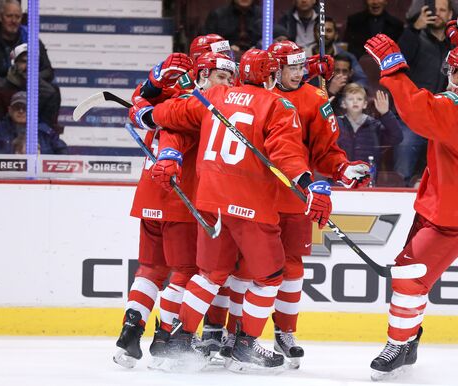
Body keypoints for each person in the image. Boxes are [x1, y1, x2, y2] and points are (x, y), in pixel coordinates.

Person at [128, 47, 333, 372]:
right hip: (250, 204)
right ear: (269, 76)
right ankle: (245, 346)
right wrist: (308, 185)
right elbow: (287, 154)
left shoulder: (216, 96)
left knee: (209, 275)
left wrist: (143, 114)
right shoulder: (277, 105)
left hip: (210, 202)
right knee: (270, 277)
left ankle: (179, 340)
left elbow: (170, 114)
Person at [210, 41, 371, 370]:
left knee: (292, 268)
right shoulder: (249, 93)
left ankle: (284, 332)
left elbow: (327, 150)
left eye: (302, 67)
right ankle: (234, 335)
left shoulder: (315, 99)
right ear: (273, 69)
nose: (299, 74)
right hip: (251, 196)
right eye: (292, 68)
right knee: (243, 271)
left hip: (295, 196)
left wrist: (343, 169)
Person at [362, 18, 458, 380]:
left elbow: (415, 108)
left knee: (409, 278)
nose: (448, 79)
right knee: (410, 272)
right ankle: (408, 340)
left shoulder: (454, 109)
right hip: (446, 201)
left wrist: (394, 71)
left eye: (454, 73)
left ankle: (400, 345)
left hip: (455, 211)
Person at [113, 50, 237, 369]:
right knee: (185, 271)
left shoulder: (173, 96)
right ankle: (165, 339)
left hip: (149, 196)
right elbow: (173, 135)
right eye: (221, 77)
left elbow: (140, 100)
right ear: (203, 76)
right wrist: (170, 155)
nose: (227, 84)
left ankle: (130, 333)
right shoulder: (196, 105)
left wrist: (152, 85)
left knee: (151, 269)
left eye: (231, 78)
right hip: (178, 198)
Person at [394, 0, 454, 186]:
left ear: (450, 15)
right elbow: (397, 61)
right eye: (435, 10)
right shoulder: (415, 36)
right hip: (413, 116)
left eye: (443, 10)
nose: (438, 13)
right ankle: (396, 197)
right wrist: (413, 29)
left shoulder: (455, 45)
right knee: (405, 149)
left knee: (451, 164)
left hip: (442, 119)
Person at [336, 83, 402, 178]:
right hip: (341, 179)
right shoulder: (337, 123)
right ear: (343, 103)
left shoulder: (374, 125)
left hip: (367, 179)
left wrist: (386, 114)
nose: (355, 102)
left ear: (365, 104)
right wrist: (323, 117)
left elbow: (397, 137)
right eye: (351, 99)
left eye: (359, 99)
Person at [0, 43, 61, 130]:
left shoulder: (50, 92)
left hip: (38, 138)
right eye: (23, 61)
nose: (28, 66)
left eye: (33, 62)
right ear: (14, 63)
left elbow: (48, 128)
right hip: (4, 139)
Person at [0, 0, 54, 81]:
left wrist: (29, 79)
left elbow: (48, 71)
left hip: (26, 85)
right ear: (0, 17)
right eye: (9, 16)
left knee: (52, 91)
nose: (13, 21)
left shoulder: (31, 39)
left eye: (17, 17)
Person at [305, 17, 370, 90]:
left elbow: (362, 81)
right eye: (320, 31)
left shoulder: (346, 56)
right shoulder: (303, 57)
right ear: (314, 34)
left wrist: (348, 89)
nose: (324, 34)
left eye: (328, 31)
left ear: (336, 35)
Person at [0, 91, 66, 154]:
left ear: (33, 110)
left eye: (25, 108)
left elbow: (64, 155)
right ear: (10, 110)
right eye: (17, 107)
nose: (21, 111)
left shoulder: (45, 133)